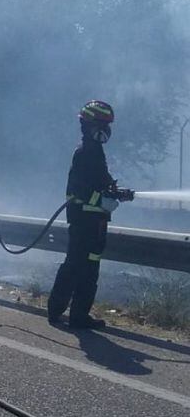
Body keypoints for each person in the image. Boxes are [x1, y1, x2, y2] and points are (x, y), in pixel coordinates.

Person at [47, 100, 133, 329]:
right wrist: (104, 199)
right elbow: (80, 191)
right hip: (87, 220)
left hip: (91, 220)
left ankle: (62, 311)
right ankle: (71, 314)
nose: (106, 130)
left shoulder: (93, 151)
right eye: (102, 124)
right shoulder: (87, 152)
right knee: (82, 267)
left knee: (80, 265)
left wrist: (116, 192)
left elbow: (97, 184)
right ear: (89, 124)